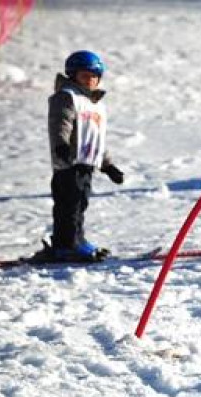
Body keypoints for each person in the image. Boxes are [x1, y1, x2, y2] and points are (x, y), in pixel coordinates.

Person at [46, 50, 124, 262]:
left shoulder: (94, 104)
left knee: (79, 204)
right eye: (84, 76)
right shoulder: (67, 97)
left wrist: (108, 166)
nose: (90, 80)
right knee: (69, 206)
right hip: (69, 162)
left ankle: (76, 241)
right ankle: (67, 245)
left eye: (94, 76)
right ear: (73, 76)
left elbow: (95, 137)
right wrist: (61, 145)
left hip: (86, 164)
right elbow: (60, 124)